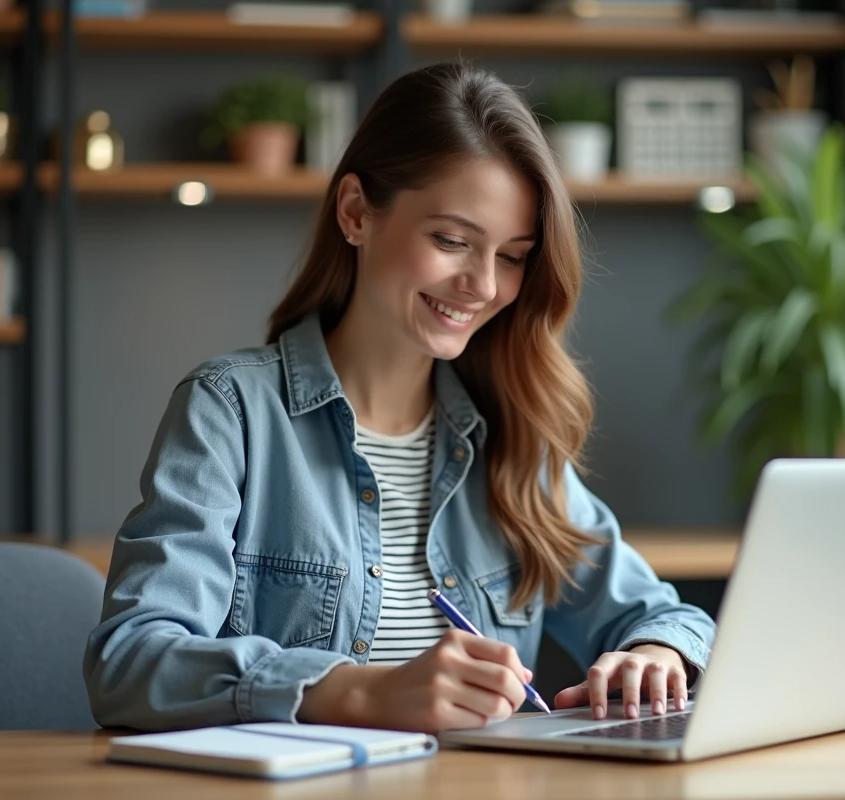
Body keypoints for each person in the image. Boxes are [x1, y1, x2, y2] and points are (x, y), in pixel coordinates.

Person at [84, 62, 715, 734]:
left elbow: (662, 616)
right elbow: (133, 663)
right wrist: (354, 692)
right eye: (451, 240)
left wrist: (656, 653)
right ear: (356, 211)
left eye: (512, 255)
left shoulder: (511, 435)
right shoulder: (232, 411)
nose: (481, 284)